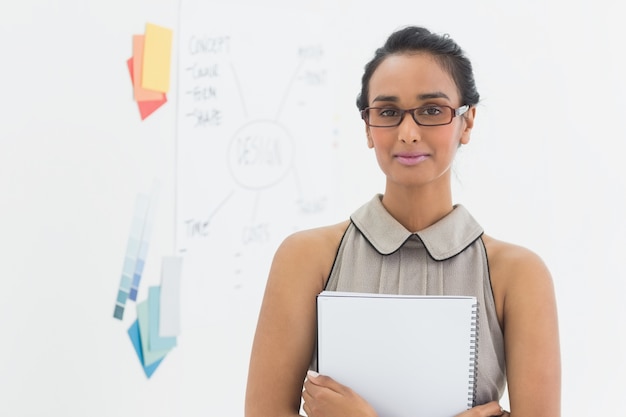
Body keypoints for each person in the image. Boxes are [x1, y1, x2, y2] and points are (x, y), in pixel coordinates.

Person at [245, 25, 560, 417]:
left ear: (468, 121)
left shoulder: (519, 275)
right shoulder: (306, 259)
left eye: (431, 110)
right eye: (388, 112)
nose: (408, 133)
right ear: (367, 127)